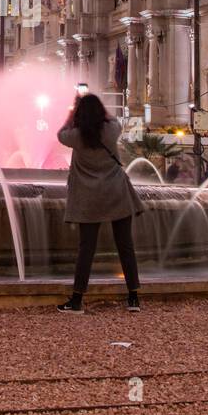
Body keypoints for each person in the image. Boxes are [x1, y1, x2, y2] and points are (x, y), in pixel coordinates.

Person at [55, 93, 143, 314]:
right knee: (125, 246)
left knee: (86, 249)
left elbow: (60, 134)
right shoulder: (111, 130)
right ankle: (133, 298)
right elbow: (114, 120)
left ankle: (76, 301)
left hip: (88, 198)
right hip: (116, 193)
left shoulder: (75, 136)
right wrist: (100, 110)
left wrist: (71, 113)